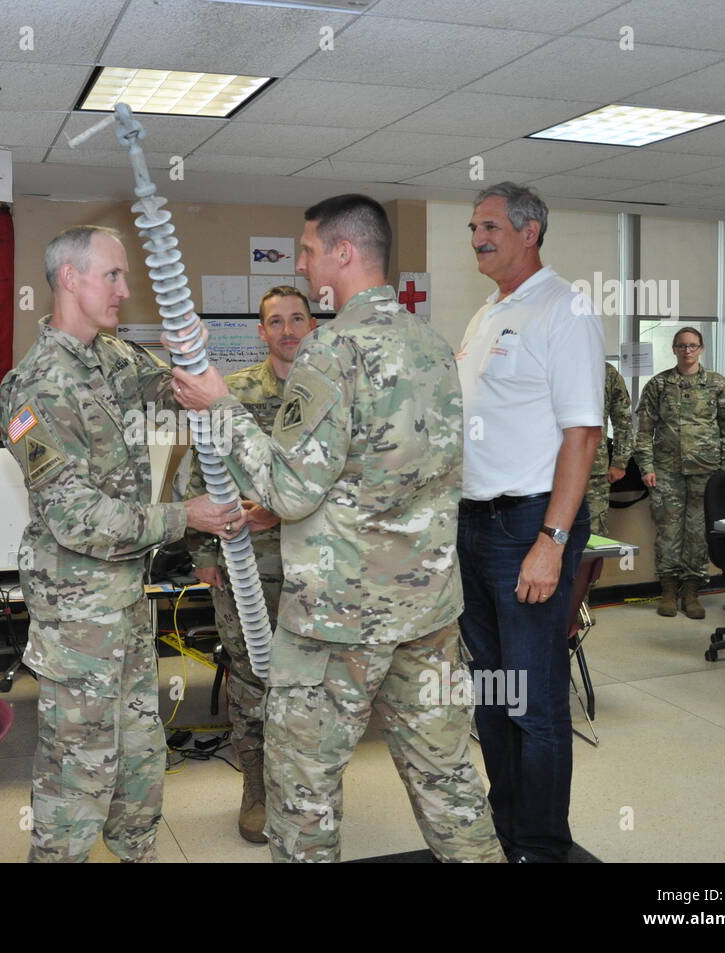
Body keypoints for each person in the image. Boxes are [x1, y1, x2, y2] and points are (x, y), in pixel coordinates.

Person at [173, 194, 503, 863]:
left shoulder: (333, 350)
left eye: (309, 250)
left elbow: (290, 489)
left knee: (303, 796)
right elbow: (405, 472)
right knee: (449, 781)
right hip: (428, 611)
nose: (300, 262)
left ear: (344, 253)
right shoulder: (434, 347)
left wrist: (222, 406)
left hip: (339, 620)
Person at [0, 225, 244, 863]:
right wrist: (183, 515)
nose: (125, 290)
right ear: (71, 278)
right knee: (77, 779)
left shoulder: (111, 357)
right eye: (113, 275)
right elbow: (77, 519)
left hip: (128, 605)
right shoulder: (35, 388)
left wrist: (192, 356)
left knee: (140, 765)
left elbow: (173, 397)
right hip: (78, 619)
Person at [456, 182, 603, 864]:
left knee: (533, 703)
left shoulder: (563, 307)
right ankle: (505, 831)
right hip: (474, 525)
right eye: (474, 227)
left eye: (489, 226)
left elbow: (582, 433)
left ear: (530, 231)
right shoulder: (487, 314)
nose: (478, 236)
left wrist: (553, 540)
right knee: (491, 696)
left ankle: (541, 847)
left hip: (529, 526)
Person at [184, 284, 316, 843]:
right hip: (245, 566)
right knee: (252, 679)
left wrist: (280, 511)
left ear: (313, 327)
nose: (288, 329)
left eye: (297, 318)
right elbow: (199, 473)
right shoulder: (229, 396)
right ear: (261, 332)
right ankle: (258, 787)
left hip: (320, 566)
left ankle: (305, 789)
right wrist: (202, 553)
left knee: (312, 683)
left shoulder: (331, 396)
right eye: (276, 321)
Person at [635, 326, 725, 620]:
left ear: (702, 349)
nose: (687, 351)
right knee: (668, 532)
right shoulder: (658, 385)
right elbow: (643, 432)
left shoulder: (718, 385)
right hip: (666, 471)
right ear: (674, 349)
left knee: (697, 533)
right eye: (682, 346)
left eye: (693, 346)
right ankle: (669, 589)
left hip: (706, 473)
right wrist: (646, 467)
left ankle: (692, 590)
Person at [586, 363, 633, 537]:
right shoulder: (551, 363)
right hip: (551, 469)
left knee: (594, 535)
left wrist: (620, 461)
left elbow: (623, 421)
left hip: (594, 471)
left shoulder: (606, 372)